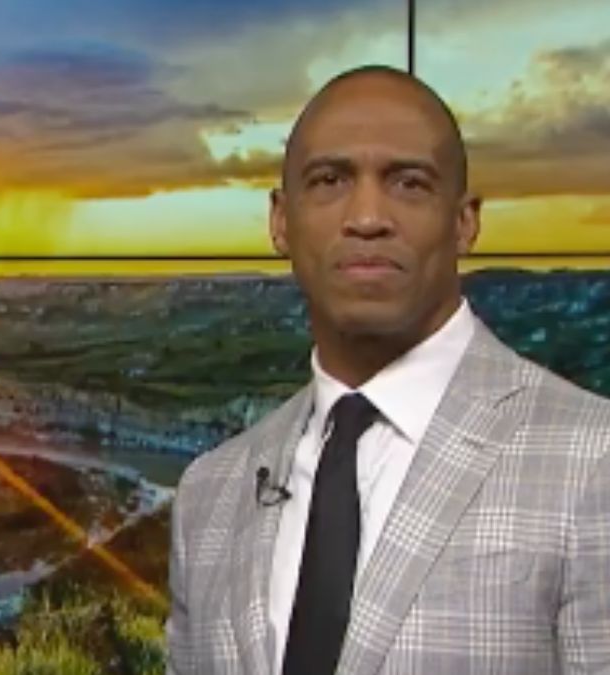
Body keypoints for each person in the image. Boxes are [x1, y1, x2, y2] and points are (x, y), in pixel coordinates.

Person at [166, 65, 610, 674]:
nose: (368, 217)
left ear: (465, 222)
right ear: (280, 220)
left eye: (409, 183)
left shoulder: (593, 462)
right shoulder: (209, 493)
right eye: (329, 180)